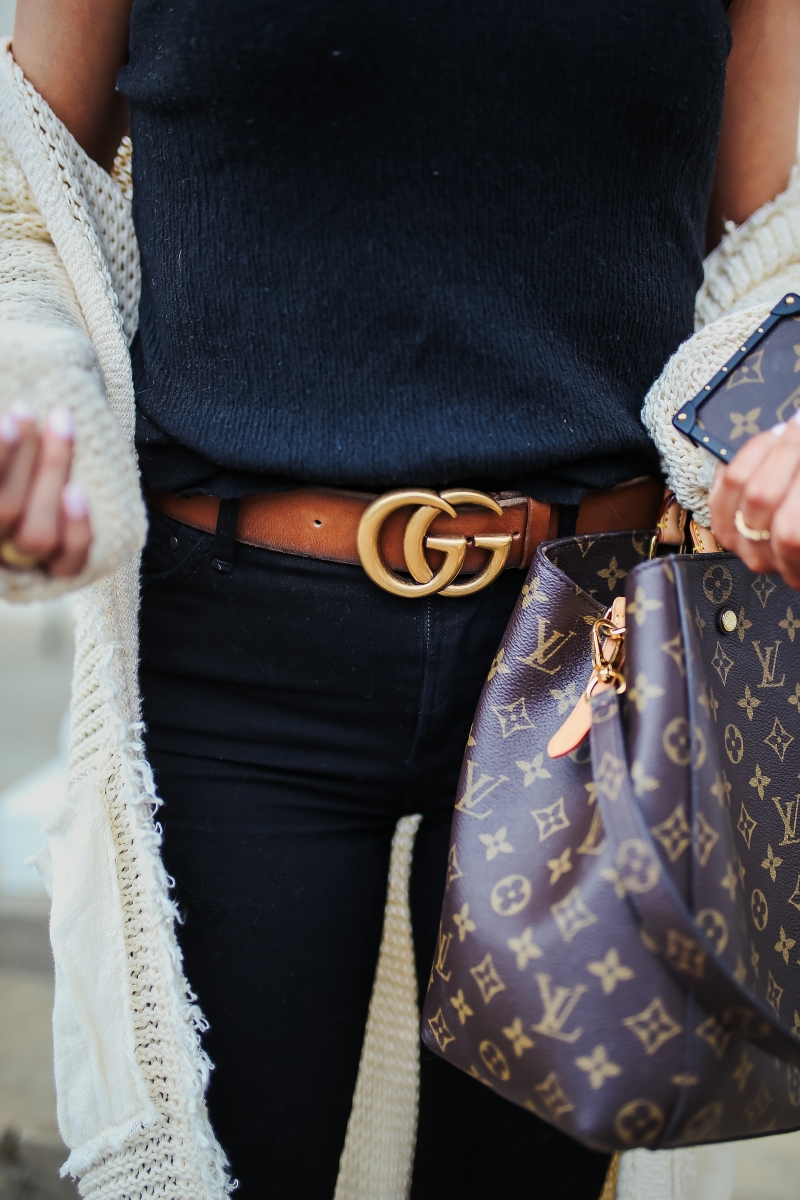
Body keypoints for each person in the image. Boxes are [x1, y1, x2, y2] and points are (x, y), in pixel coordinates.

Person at [0, 2, 799, 1198]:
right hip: (236, 669)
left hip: (595, 676)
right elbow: (25, 197)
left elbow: (777, 242)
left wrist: (782, 406)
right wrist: (33, 397)